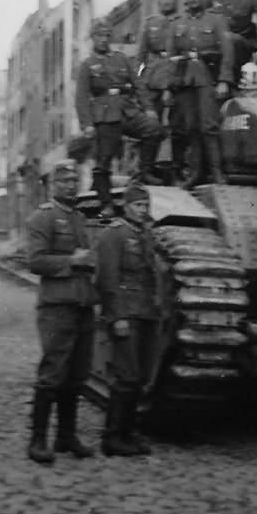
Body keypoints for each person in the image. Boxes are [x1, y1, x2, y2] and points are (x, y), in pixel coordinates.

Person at [25, 160, 98, 465]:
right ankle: (38, 440)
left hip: (82, 306)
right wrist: (73, 260)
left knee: (77, 375)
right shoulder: (43, 218)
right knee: (52, 374)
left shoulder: (79, 218)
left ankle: (66, 437)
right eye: (64, 181)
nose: (70, 185)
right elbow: (35, 261)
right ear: (53, 184)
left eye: (74, 181)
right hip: (57, 308)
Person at [94, 181, 159, 456]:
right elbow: (107, 280)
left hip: (144, 314)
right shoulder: (115, 234)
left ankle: (128, 434)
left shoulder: (144, 234)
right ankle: (112, 438)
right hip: (126, 315)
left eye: (145, 205)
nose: (142, 210)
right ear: (126, 206)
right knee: (126, 377)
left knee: (139, 377)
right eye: (137, 205)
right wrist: (116, 316)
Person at [75, 17, 163, 217]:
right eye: (99, 36)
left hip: (127, 110)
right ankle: (106, 203)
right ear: (93, 38)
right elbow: (81, 97)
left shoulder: (121, 59)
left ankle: (144, 173)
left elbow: (138, 84)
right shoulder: (87, 65)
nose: (103, 40)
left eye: (107, 36)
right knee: (104, 160)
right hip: (104, 115)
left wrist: (148, 107)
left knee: (154, 130)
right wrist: (87, 124)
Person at [173, 0, 233, 186]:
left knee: (209, 125)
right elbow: (171, 57)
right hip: (185, 80)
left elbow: (227, 52)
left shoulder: (215, 20)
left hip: (208, 76)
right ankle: (196, 173)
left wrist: (225, 80)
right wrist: (170, 87)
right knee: (191, 127)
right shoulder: (178, 23)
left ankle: (217, 172)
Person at [137, 0, 184, 183]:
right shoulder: (150, 23)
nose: (167, 1)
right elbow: (140, 56)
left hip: (178, 77)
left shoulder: (182, 21)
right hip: (153, 79)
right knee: (152, 124)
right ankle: (146, 169)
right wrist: (138, 84)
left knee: (178, 124)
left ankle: (177, 167)